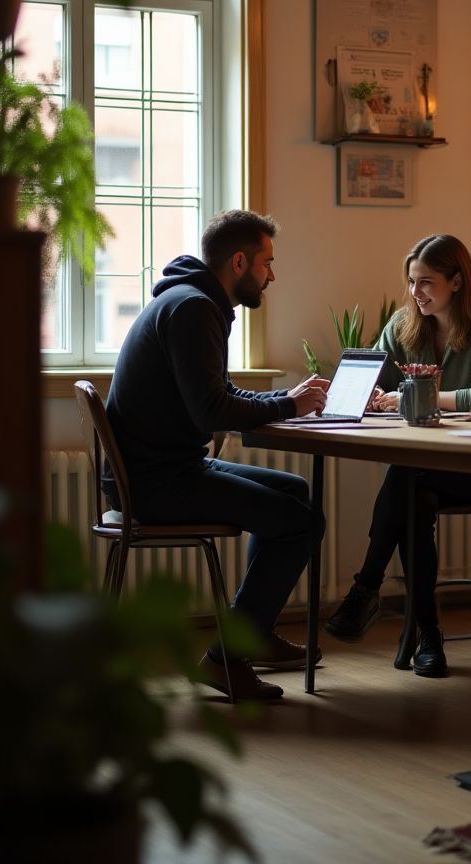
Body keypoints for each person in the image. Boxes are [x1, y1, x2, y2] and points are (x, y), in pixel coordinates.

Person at [105, 209, 330, 702]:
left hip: (161, 467)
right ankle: (227, 658)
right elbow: (210, 411)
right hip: (154, 481)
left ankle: (254, 632)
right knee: (299, 522)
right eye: (267, 263)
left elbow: (218, 391)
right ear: (238, 262)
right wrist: (289, 405)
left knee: (294, 493)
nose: (273, 274)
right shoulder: (193, 310)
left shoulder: (192, 300)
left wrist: (288, 398)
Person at [324, 234, 471, 677]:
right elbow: (376, 376)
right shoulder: (404, 325)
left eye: (426, 282)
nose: (416, 293)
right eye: (411, 282)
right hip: (419, 468)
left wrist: (411, 393)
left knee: (405, 480)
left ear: (457, 281)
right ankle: (429, 635)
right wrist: (370, 394)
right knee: (411, 493)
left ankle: (367, 587)